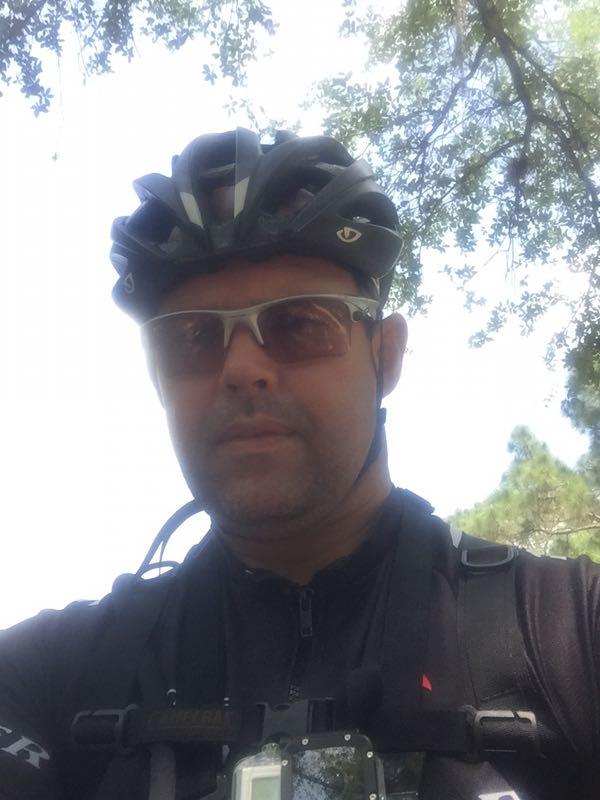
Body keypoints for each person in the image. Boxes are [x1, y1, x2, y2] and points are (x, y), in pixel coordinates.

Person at [0, 128, 598, 800]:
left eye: (300, 323)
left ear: (387, 355)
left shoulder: (567, 629)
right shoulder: (51, 676)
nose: (242, 369)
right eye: (191, 338)